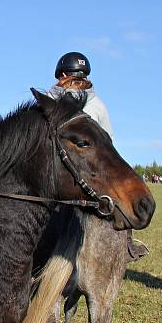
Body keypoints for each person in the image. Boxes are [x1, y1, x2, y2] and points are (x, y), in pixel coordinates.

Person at [47, 52, 147, 259]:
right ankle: (128, 246)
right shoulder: (99, 103)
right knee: (118, 195)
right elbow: (108, 140)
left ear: (62, 74)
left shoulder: (51, 100)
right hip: (91, 169)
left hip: (60, 170)